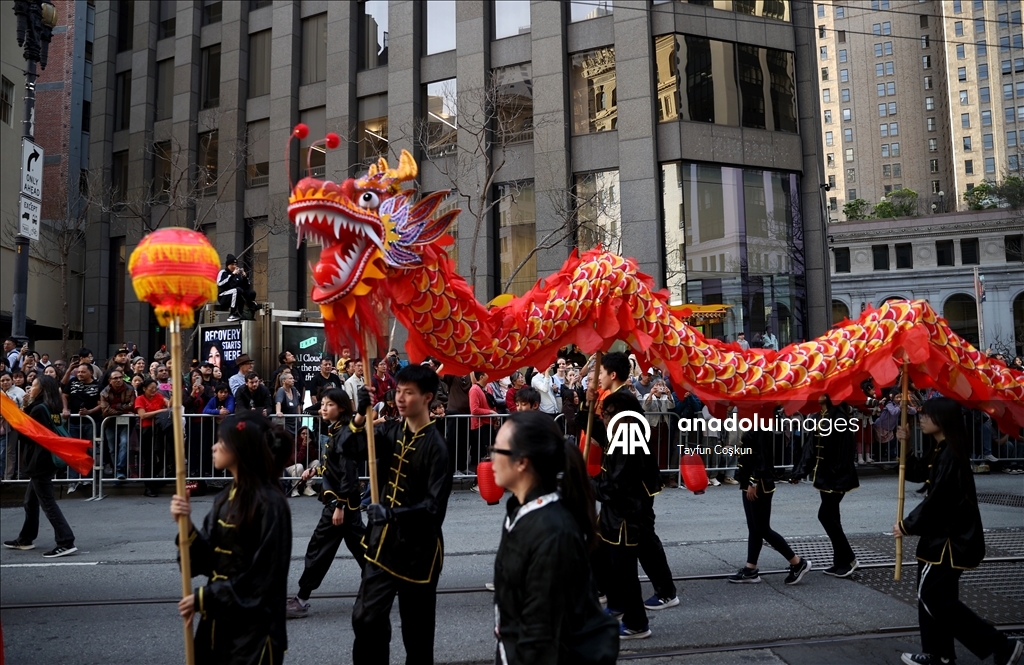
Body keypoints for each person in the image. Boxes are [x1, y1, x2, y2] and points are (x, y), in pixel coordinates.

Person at [337, 365, 452, 665]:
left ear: (428, 397)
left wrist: (391, 514)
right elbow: (350, 448)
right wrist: (360, 415)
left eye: (409, 393)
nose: (400, 398)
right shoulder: (390, 430)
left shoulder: (438, 448)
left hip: (419, 553)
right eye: (398, 391)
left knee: (417, 636)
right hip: (382, 548)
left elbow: (433, 509)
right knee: (365, 619)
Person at [895, 398, 1023, 665]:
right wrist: (904, 445)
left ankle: (1002, 646)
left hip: (948, 542)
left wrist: (907, 525)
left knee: (932, 597)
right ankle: (939, 655)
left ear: (943, 419)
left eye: (927, 415)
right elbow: (918, 473)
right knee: (937, 597)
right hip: (941, 539)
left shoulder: (951, 452)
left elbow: (939, 499)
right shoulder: (943, 449)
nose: (922, 418)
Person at [490, 411, 619, 664]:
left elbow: (542, 639)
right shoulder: (521, 511)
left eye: (497, 451)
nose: (491, 459)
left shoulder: (553, 532)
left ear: (522, 462)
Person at [169, 413, 292, 665]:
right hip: (217, 627)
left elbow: (264, 578)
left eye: (221, 442)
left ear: (240, 448)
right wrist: (186, 526)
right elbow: (206, 561)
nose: (214, 447)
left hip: (254, 635)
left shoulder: (272, 503)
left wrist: (205, 598)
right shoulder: (224, 498)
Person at [286, 389, 366, 619]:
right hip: (343, 505)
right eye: (322, 404)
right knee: (365, 550)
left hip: (340, 505)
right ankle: (381, 587)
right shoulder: (337, 431)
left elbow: (348, 473)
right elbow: (333, 466)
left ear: (341, 407)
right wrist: (314, 471)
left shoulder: (344, 434)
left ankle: (301, 599)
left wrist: (339, 504)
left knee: (318, 549)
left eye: (328, 404)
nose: (322, 408)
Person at [3, 376, 78, 557]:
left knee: (47, 502)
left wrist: (19, 417)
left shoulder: (39, 409)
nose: (30, 388)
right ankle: (26, 538)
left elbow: (30, 436)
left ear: (42, 388)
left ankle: (65, 541)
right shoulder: (51, 407)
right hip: (46, 460)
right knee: (31, 501)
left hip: (40, 461)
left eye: (34, 385)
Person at [727, 426, 811, 586]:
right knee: (754, 527)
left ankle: (798, 563)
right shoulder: (751, 423)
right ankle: (750, 569)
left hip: (760, 485)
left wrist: (753, 481)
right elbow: (749, 453)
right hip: (749, 483)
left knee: (762, 528)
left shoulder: (761, 426)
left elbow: (762, 458)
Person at [791, 396, 860, 577]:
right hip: (824, 476)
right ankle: (840, 562)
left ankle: (850, 558)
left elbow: (846, 452)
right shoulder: (818, 417)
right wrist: (799, 471)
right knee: (833, 517)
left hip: (837, 476)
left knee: (826, 516)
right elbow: (810, 448)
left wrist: (838, 477)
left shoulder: (840, 419)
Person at [99, 369, 136, 481]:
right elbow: (105, 410)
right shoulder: (104, 392)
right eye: (115, 378)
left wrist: (114, 406)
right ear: (110, 380)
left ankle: (120, 470)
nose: (119, 380)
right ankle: (117, 473)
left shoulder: (130, 389)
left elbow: (132, 405)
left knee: (124, 444)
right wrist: (123, 409)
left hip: (126, 422)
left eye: (120, 377)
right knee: (112, 449)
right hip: (109, 423)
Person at [468, 371, 498, 489]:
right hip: (480, 425)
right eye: (486, 373)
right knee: (482, 455)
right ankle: (478, 482)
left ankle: (488, 481)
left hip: (489, 424)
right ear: (481, 377)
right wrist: (490, 412)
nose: (489, 374)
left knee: (489, 454)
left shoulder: (488, 388)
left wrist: (494, 419)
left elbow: (492, 405)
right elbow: (474, 410)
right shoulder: (474, 389)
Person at [217, 254, 256, 321]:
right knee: (237, 290)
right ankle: (232, 313)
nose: (234, 266)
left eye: (235, 264)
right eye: (232, 264)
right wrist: (232, 275)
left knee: (251, 292)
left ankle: (248, 312)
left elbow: (246, 287)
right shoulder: (223, 272)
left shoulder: (238, 274)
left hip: (236, 296)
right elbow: (220, 283)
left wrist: (245, 277)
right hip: (224, 297)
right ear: (227, 265)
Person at [274, 371, 301, 435]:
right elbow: (278, 402)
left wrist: (299, 418)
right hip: (287, 424)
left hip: (296, 423)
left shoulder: (294, 389)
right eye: (290, 378)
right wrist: (278, 412)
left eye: (293, 378)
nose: (293, 380)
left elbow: (298, 405)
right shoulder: (281, 390)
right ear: (284, 381)